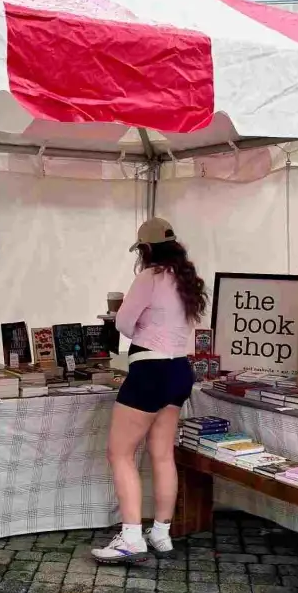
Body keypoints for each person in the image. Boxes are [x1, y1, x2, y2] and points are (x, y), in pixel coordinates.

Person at [92, 217, 207, 564]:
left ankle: (130, 537)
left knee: (120, 453)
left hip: (150, 369)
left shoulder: (149, 277)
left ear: (145, 249)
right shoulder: (186, 281)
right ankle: (160, 532)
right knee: (161, 453)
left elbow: (125, 323)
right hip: (178, 370)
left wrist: (135, 322)